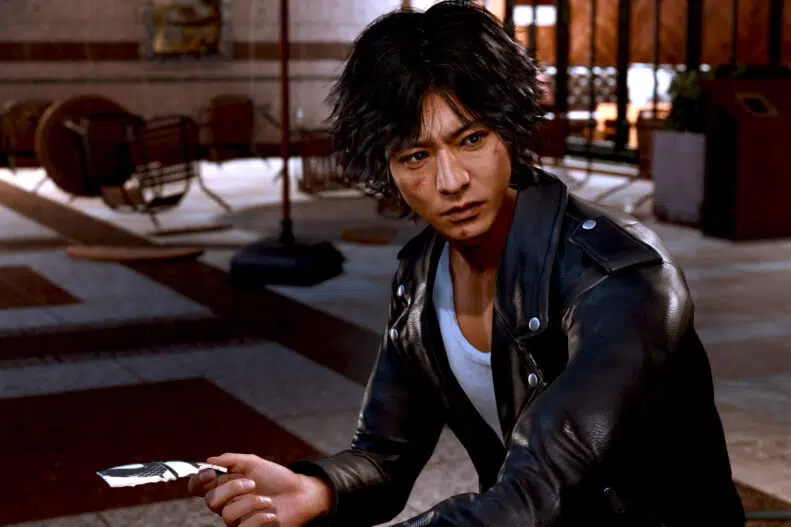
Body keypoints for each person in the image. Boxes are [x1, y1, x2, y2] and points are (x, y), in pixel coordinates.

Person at [188, 2, 746, 526]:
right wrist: (317, 489)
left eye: (471, 139)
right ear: (388, 170)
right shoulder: (419, 276)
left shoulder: (621, 277)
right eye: (416, 155)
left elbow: (537, 491)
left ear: (508, 132)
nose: (451, 180)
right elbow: (384, 456)